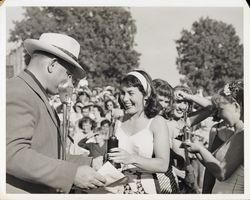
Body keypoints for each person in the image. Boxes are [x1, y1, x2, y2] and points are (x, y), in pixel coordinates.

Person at [6, 33, 106, 193]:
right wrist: (72, 174)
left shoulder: (35, 93)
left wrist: (89, 163)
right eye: (69, 75)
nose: (70, 83)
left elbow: (48, 154)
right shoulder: (17, 91)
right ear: (52, 65)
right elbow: (12, 154)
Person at [107, 69, 170, 194]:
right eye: (122, 93)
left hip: (144, 188)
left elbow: (163, 164)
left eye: (131, 93)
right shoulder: (117, 121)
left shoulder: (157, 122)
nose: (125, 99)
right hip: (115, 187)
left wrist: (131, 158)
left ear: (145, 95)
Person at [183, 80, 244, 193]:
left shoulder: (243, 136)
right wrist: (196, 149)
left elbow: (222, 173)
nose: (219, 115)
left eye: (221, 110)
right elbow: (213, 165)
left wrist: (201, 149)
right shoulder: (236, 134)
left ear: (236, 106)